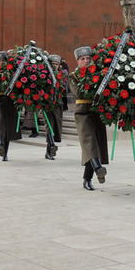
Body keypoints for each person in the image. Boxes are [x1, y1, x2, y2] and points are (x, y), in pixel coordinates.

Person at [69, 46, 108, 190]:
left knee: (95, 145)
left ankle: (87, 179)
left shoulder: (98, 74)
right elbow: (79, 93)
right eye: (82, 59)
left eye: (88, 59)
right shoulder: (73, 76)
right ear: (78, 61)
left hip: (97, 112)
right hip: (82, 113)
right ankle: (98, 169)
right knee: (89, 143)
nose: (86, 61)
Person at [0, 51, 22, 161]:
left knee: (8, 128)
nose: (1, 63)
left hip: (10, 101)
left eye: (3, 61)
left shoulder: (12, 73)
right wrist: (2, 76)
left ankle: (5, 153)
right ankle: (1, 145)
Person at [44, 54, 64, 160]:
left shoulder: (61, 75)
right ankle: (50, 148)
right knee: (49, 126)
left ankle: (50, 150)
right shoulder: (45, 75)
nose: (55, 66)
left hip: (57, 105)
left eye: (57, 64)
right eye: (53, 64)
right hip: (47, 105)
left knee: (55, 127)